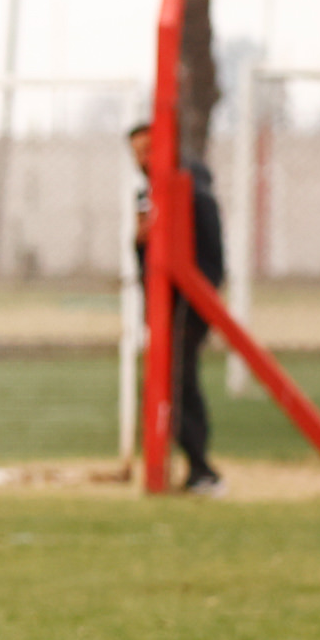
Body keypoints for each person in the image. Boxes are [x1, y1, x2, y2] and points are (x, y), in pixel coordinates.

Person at [129, 122, 225, 495]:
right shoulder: (148, 195)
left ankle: (202, 469)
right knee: (169, 382)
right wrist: (141, 243)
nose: (143, 160)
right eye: (136, 153)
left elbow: (213, 258)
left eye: (148, 150)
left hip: (189, 303)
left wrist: (196, 303)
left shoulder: (195, 192)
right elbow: (147, 261)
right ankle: (189, 466)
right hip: (164, 305)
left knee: (179, 382)